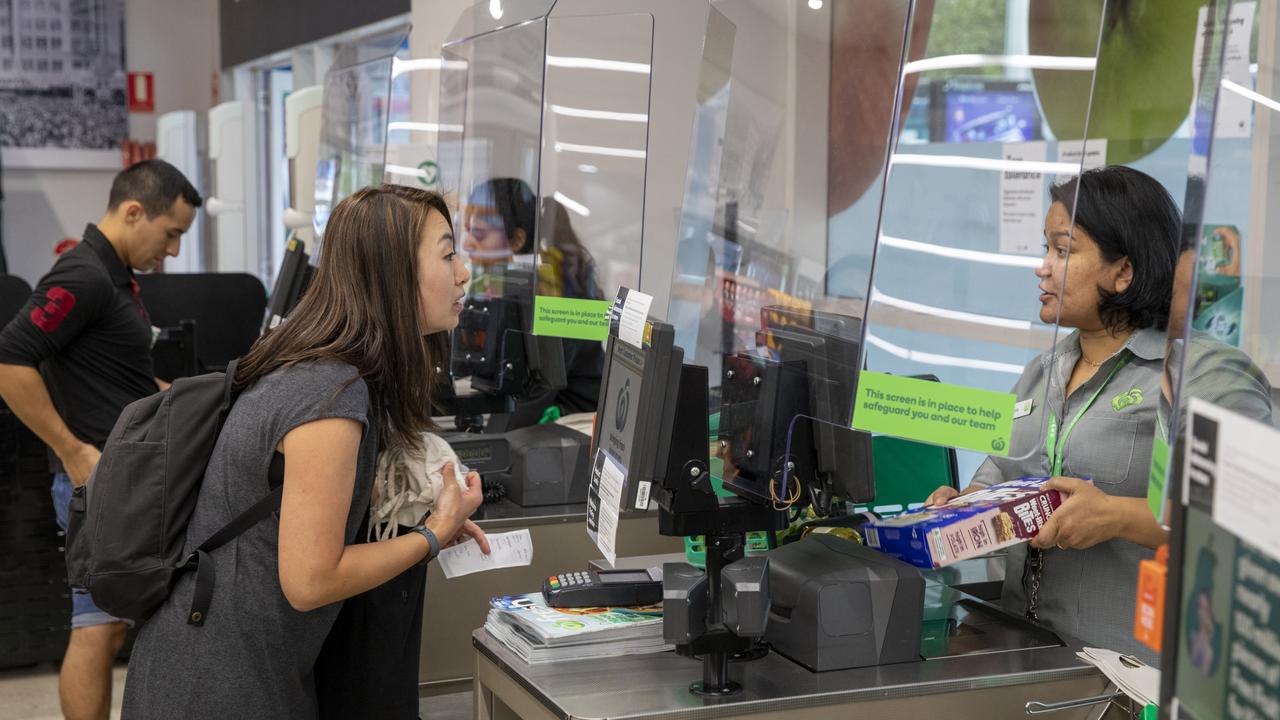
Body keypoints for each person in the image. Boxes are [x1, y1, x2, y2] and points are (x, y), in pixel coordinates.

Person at [121, 185, 490, 719]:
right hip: (218, 685)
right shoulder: (331, 395)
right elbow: (311, 580)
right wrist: (431, 535)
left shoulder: (320, 367)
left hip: (228, 662)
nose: (463, 273)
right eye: (448, 253)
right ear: (391, 272)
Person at [923, 166, 1270, 663]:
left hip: (1132, 678)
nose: (1042, 267)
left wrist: (1116, 517)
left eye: (1063, 250)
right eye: (1046, 248)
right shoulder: (1042, 371)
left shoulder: (1199, 372)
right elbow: (1005, 468)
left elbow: (1255, 513)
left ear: (1122, 271)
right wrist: (969, 506)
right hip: (1029, 659)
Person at [0, 159, 199, 720]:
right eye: (171, 234)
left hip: (127, 478)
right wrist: (72, 448)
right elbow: (9, 362)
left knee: (108, 628)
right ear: (135, 211)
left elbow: (119, 379)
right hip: (100, 480)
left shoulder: (113, 280)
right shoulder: (82, 275)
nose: (173, 252)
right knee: (97, 626)